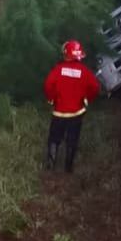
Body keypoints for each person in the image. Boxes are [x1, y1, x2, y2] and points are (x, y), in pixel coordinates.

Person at [42, 40, 101, 173]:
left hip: (59, 113)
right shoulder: (85, 72)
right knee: (72, 141)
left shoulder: (58, 69)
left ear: (65, 54)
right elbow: (95, 88)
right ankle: (68, 169)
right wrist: (86, 99)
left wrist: (52, 99)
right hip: (76, 114)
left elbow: (47, 85)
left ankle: (50, 166)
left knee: (54, 139)